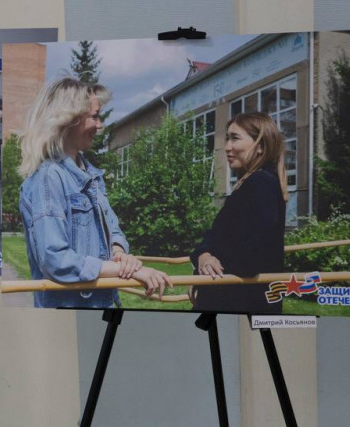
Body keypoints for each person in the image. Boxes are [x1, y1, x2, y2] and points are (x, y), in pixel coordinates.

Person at [18, 78, 170, 308]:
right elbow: (55, 260)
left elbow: (113, 230)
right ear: (70, 119)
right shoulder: (49, 178)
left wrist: (119, 253)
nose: (100, 125)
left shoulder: (91, 175)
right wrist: (127, 270)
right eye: (95, 116)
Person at [190, 112, 287, 313]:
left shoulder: (261, 183)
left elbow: (253, 253)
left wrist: (203, 276)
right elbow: (214, 237)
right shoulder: (248, 184)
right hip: (230, 301)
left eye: (235, 138)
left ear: (260, 146)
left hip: (243, 306)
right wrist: (204, 256)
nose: (227, 147)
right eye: (227, 138)